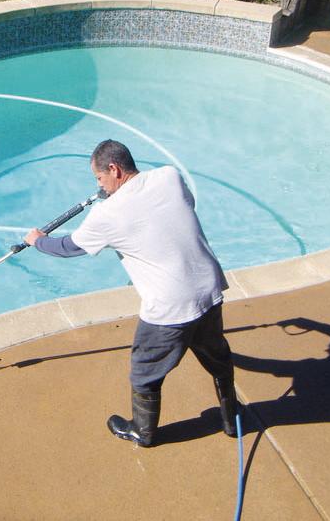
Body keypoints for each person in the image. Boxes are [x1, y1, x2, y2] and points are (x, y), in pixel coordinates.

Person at [24, 139, 239, 447]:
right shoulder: (169, 176)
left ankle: (143, 431)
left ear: (114, 169)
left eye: (100, 178)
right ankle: (233, 418)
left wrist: (37, 240)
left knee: (144, 371)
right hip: (209, 288)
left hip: (169, 307)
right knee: (216, 353)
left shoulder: (106, 215)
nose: (101, 185)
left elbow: (68, 247)